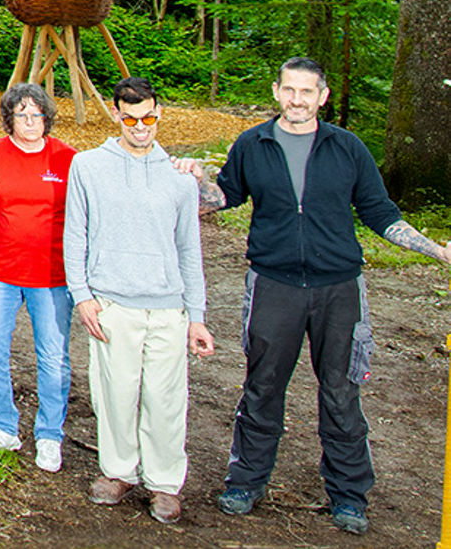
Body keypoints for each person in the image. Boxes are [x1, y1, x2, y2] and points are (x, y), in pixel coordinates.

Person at [176, 57, 451, 536]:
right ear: (277, 91)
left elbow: (381, 214)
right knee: (262, 387)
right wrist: (190, 182)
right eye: (289, 90)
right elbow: (225, 197)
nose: (297, 100)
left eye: (307, 92)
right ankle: (245, 481)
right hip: (273, 285)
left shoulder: (346, 148)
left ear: (322, 96)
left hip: (339, 288)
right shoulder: (253, 143)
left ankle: (348, 494)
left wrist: (439, 251)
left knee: (342, 393)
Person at [63, 77, 214, 525]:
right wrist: (82, 297)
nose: (140, 126)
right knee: (115, 391)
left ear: (159, 113)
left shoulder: (179, 178)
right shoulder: (88, 167)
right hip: (112, 302)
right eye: (130, 118)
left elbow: (189, 249)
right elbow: (75, 235)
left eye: (148, 117)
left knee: (166, 398)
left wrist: (197, 317)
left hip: (168, 305)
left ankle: (165, 482)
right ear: (116, 115)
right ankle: (118, 471)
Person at [0, 83, 77, 472]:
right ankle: (2, 426)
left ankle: (50, 434)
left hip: (52, 274)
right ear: (9, 119)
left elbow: (81, 216)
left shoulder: (67, 159)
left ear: (46, 118)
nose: (30, 121)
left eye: (36, 114)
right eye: (21, 114)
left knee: (53, 357)